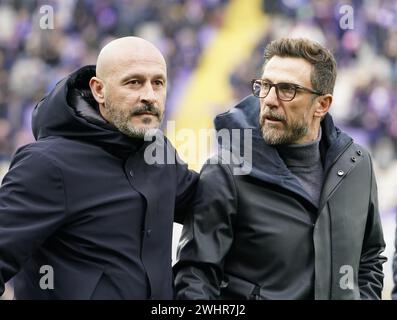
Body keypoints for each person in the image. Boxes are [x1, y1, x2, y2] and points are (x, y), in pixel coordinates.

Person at [174, 38, 386, 300]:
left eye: (287, 90)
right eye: (264, 86)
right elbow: (196, 277)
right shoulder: (226, 170)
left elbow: (369, 258)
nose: (270, 100)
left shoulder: (357, 164)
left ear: (322, 104)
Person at [0, 36, 197, 299]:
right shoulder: (47, 164)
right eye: (134, 82)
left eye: (158, 83)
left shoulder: (158, 152)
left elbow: (210, 201)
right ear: (98, 90)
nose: (149, 96)